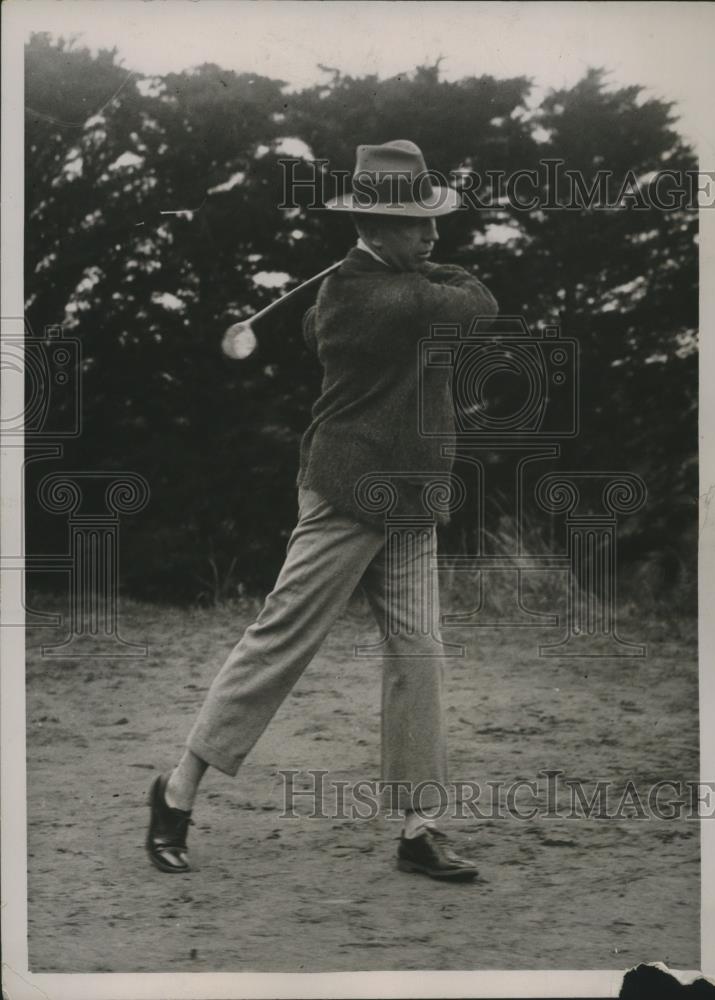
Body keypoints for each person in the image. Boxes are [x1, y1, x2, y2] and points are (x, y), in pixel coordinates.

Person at [146, 140, 498, 880]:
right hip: (346, 492)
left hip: (412, 497)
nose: (432, 235)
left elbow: (464, 293)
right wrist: (427, 274)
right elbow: (469, 301)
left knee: (418, 655)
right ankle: (175, 793)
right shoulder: (357, 299)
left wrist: (421, 263)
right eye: (415, 225)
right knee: (280, 643)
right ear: (373, 224)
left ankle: (418, 827)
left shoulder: (385, 283)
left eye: (432, 222)